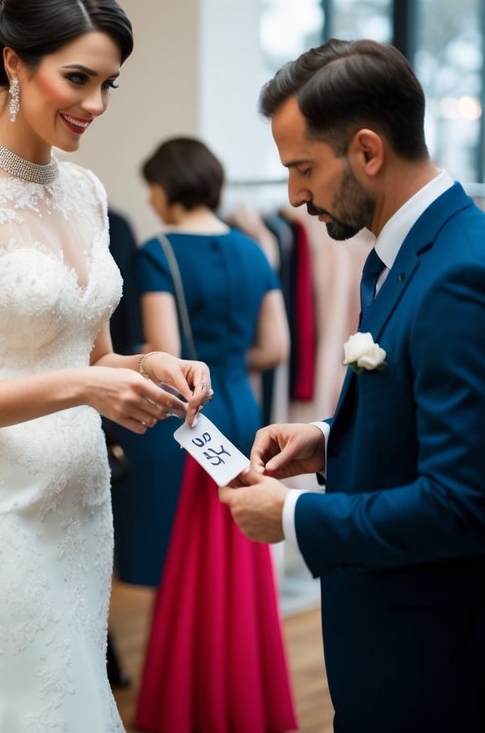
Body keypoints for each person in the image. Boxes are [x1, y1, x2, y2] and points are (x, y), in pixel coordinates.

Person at [0, 0, 212, 730]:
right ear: (14, 62)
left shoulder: (87, 193)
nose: (95, 104)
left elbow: (95, 355)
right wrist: (81, 388)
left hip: (79, 501)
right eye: (78, 79)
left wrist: (150, 364)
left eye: (109, 84)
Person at [220, 38, 485, 732]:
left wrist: (290, 517)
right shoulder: (407, 253)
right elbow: (430, 420)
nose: (293, 195)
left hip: (436, 668)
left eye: (303, 168)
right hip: (396, 647)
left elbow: (461, 506)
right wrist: (330, 440)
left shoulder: (464, 277)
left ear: (367, 151)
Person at [118, 137, 296, 733]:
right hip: (242, 412)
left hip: (191, 420)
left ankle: (192, 702)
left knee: (192, 560)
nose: (149, 197)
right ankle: (246, 697)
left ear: (168, 187)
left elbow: (162, 351)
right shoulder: (254, 250)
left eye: (152, 185)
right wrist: (230, 360)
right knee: (239, 558)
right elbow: (276, 347)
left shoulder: (157, 252)